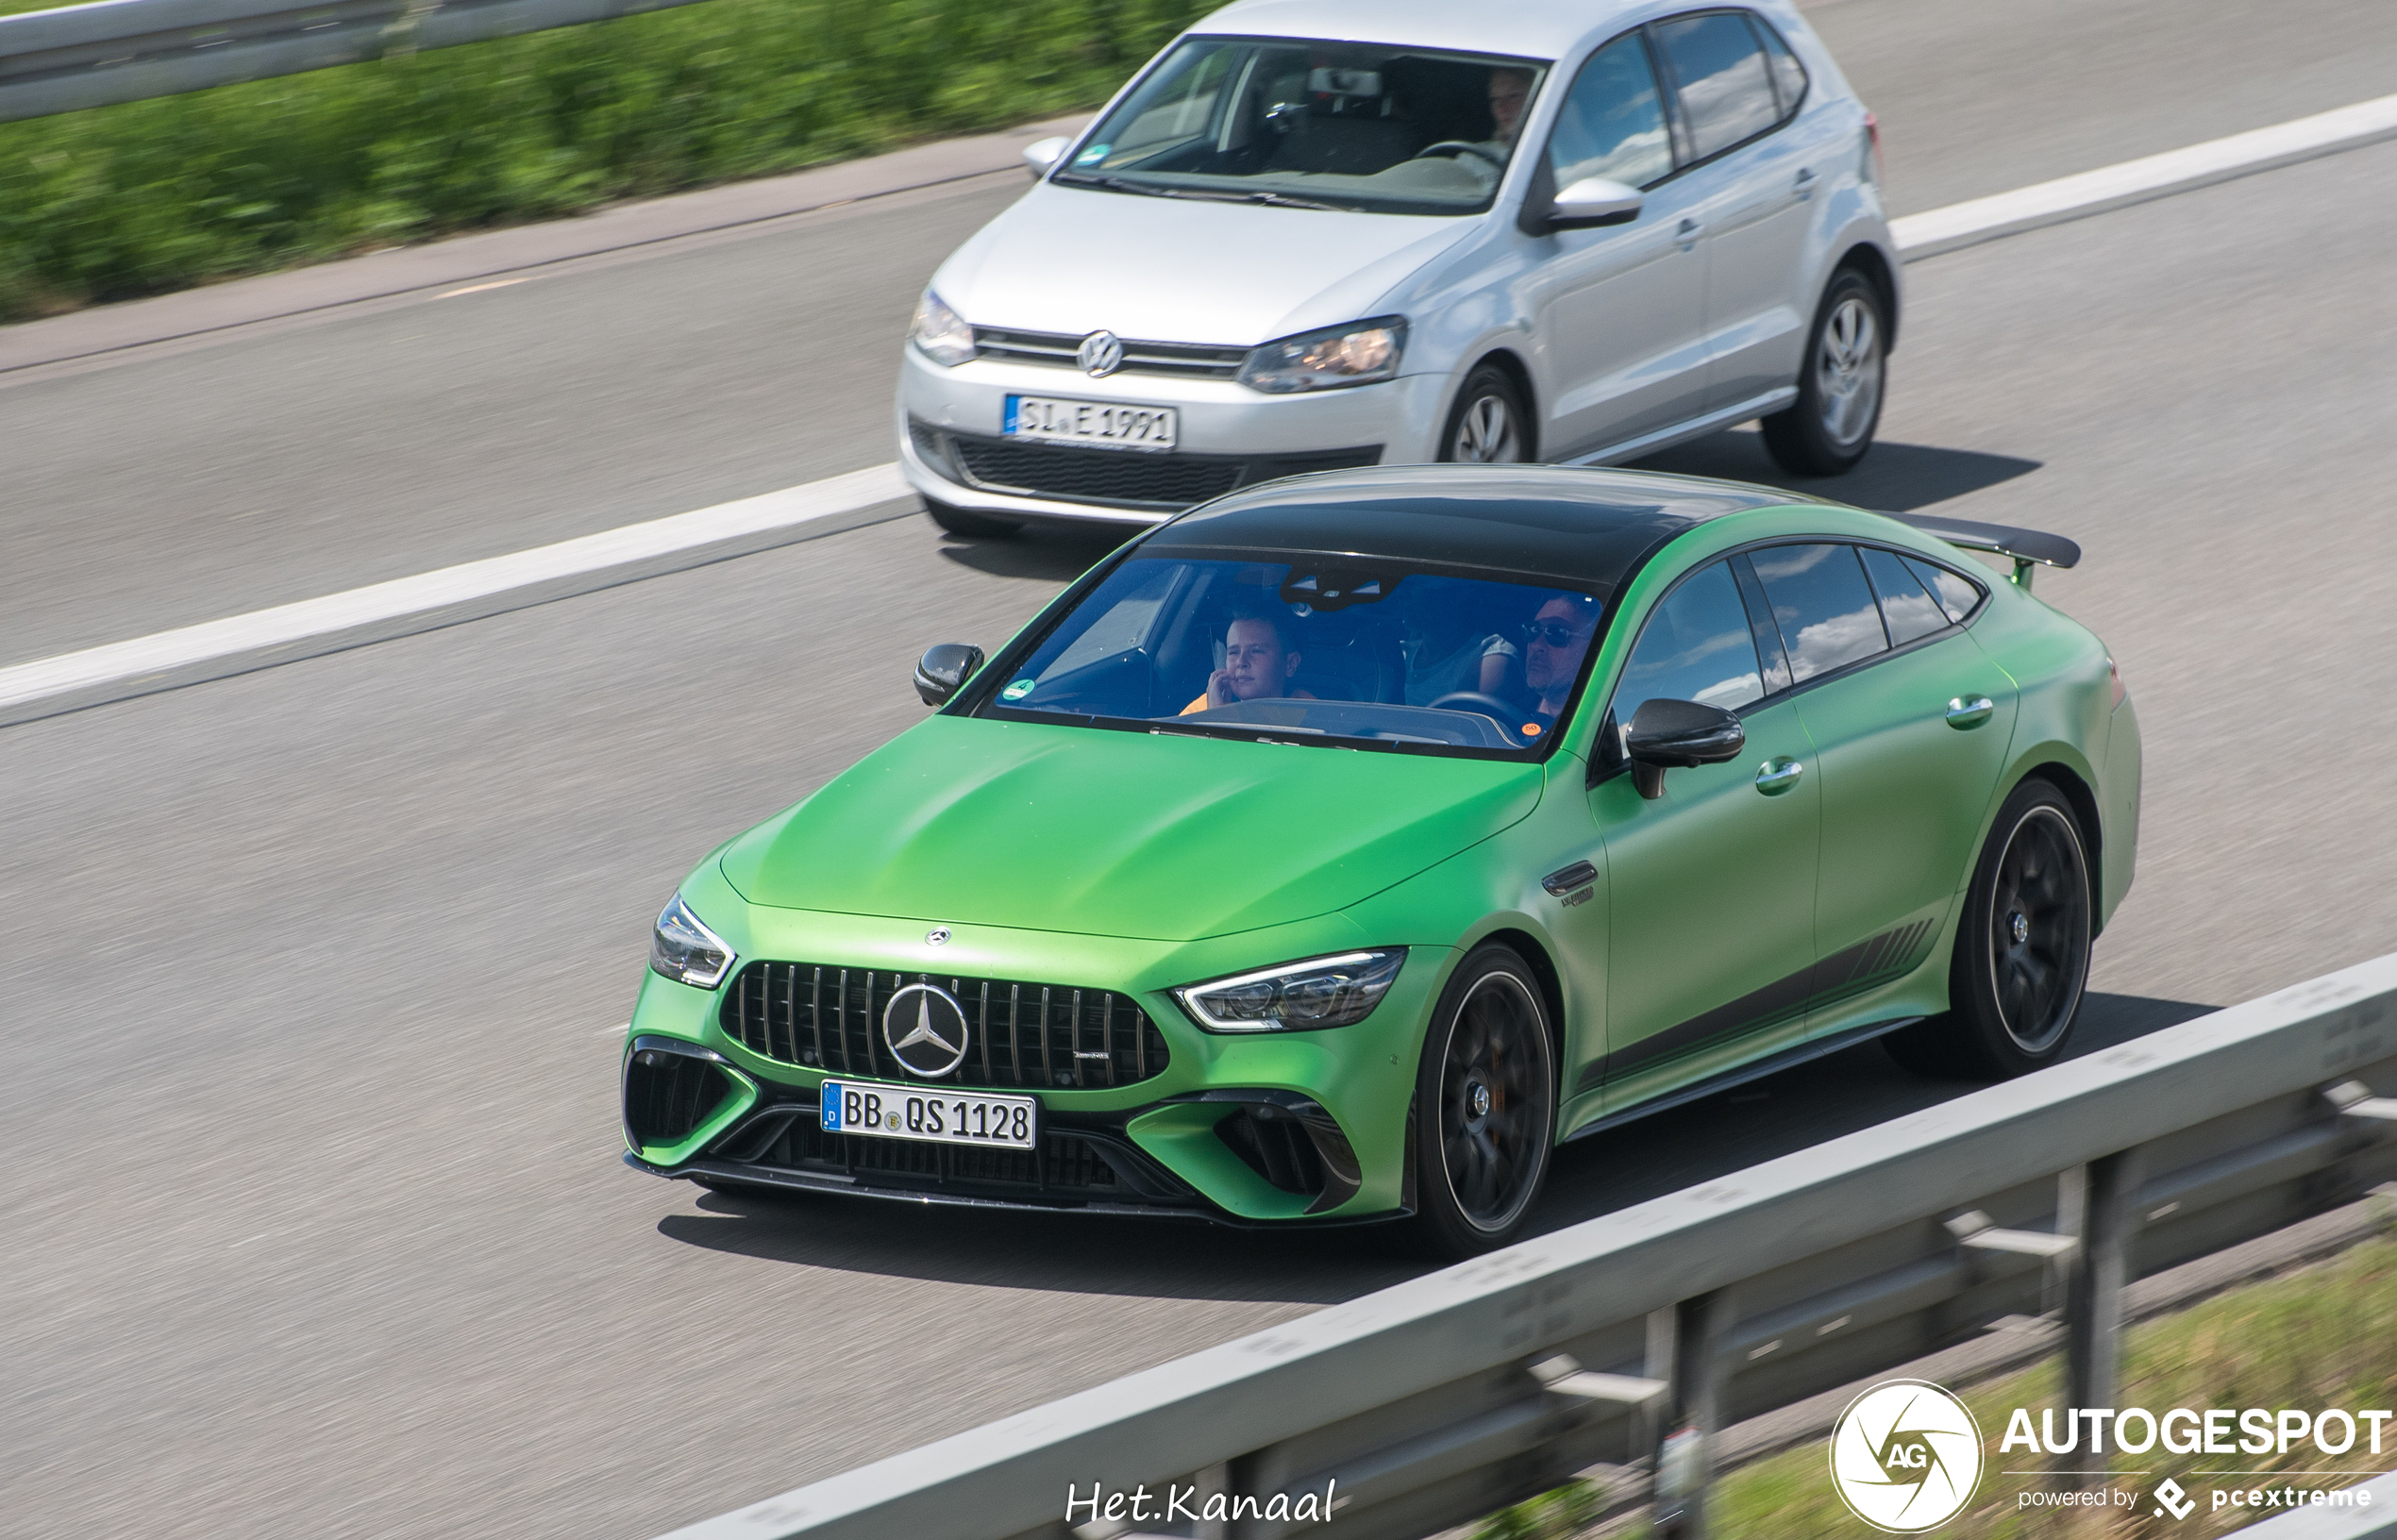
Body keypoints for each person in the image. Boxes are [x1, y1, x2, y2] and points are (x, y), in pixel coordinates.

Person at [1181, 609, 1316, 713]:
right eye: (1233, 652)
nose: (1241, 662)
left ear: (1290, 664)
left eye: (1256, 651)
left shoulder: (1310, 713)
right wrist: (1214, 716)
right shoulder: (1202, 710)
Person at [1512, 593, 1600, 742]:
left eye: (1556, 634)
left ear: (1593, 648)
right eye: (1532, 630)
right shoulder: (1512, 711)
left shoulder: (1596, 730)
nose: (1536, 645)